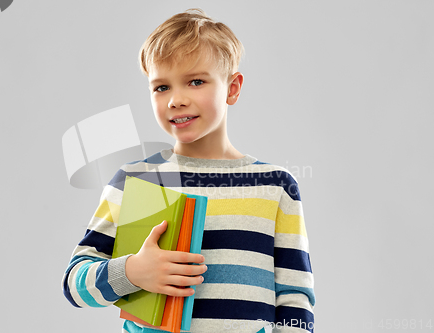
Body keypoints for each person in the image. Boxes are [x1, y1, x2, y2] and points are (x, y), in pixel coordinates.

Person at [62, 8, 315, 333]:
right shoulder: (135, 180)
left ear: (233, 89)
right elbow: (74, 284)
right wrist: (133, 272)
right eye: (161, 87)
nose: (175, 100)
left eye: (195, 81)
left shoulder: (276, 186)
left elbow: (295, 299)